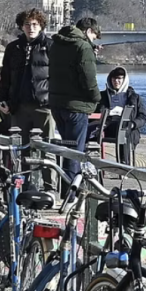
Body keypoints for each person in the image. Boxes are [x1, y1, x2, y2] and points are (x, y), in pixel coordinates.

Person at [48, 16, 101, 184]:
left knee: (65, 149)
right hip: (77, 106)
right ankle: (71, 195)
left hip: (57, 103)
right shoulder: (83, 47)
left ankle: (64, 189)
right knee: (75, 152)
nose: (93, 41)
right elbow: (88, 79)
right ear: (88, 31)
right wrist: (97, 99)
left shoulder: (57, 44)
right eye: (94, 36)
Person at [0, 9, 54, 139]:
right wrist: (2, 100)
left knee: (46, 147)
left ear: (41, 26)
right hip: (18, 106)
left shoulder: (51, 46)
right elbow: (5, 77)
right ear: (22, 26)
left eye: (35, 24)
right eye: (27, 24)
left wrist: (52, 100)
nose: (31, 28)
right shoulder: (13, 48)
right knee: (20, 148)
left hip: (43, 106)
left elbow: (59, 77)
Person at [92, 66, 146, 164]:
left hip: (128, 127)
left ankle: (124, 163)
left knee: (124, 130)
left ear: (124, 80)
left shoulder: (134, 97)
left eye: (119, 79)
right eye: (114, 79)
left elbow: (142, 117)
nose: (116, 81)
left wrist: (133, 124)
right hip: (107, 126)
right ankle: (92, 161)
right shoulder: (102, 96)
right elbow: (95, 112)